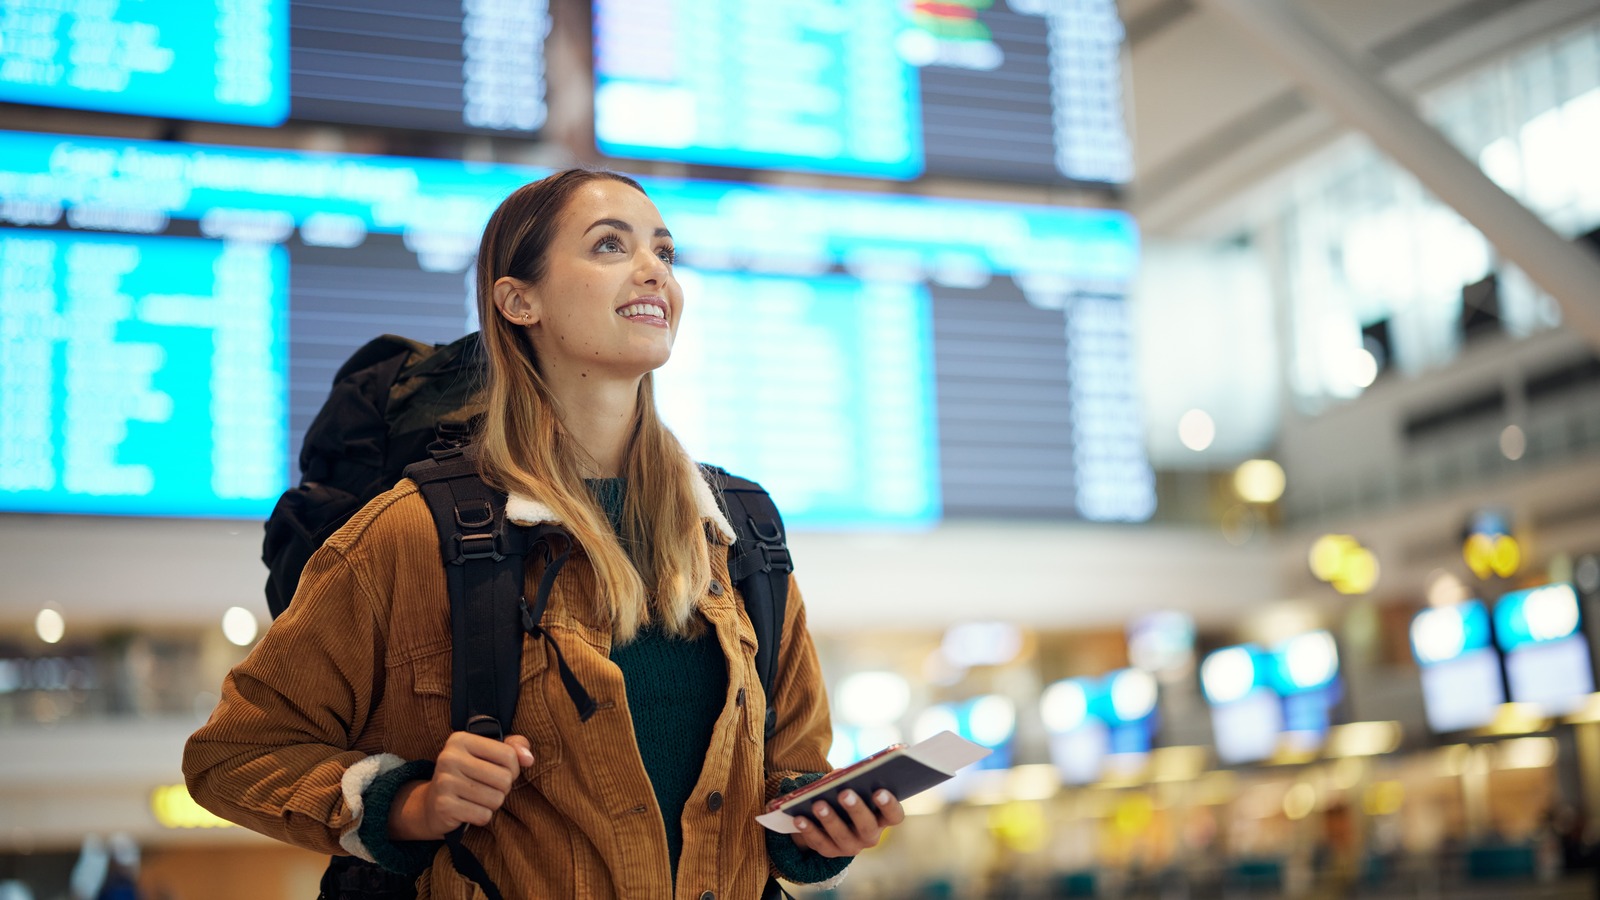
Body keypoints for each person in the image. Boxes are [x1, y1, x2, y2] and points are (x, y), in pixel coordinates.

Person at [184, 169, 905, 898]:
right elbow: (235, 754)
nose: (654, 269)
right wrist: (409, 805)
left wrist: (821, 831)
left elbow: (791, 773)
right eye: (608, 246)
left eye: (664, 251)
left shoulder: (740, 531)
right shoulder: (413, 533)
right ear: (517, 299)